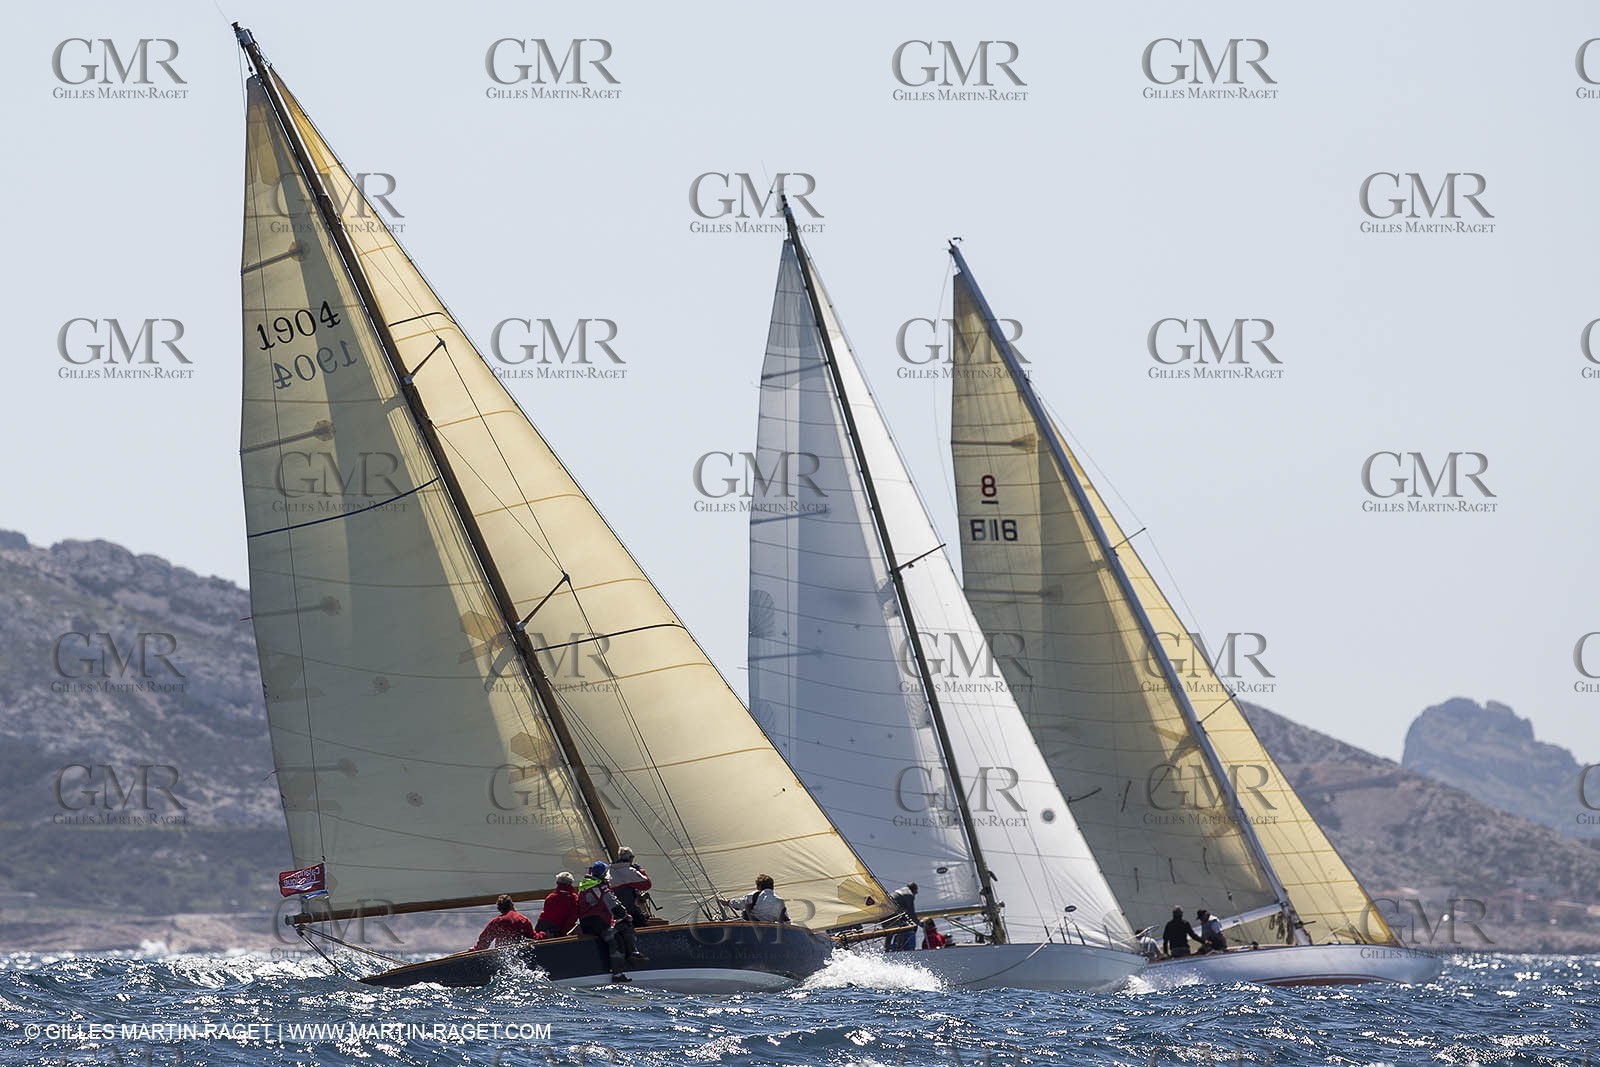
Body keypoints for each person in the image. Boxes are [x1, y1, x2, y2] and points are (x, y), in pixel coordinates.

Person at [577, 861, 647, 981]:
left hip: (587, 924)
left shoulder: (584, 887)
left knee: (618, 930)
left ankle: (632, 953)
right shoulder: (601, 888)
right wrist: (626, 916)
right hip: (600, 923)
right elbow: (615, 907)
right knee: (618, 938)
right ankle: (619, 972)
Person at [608, 846, 654, 927]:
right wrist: (641, 871)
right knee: (642, 923)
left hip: (614, 913)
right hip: (629, 910)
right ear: (630, 858)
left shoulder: (609, 871)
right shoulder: (629, 870)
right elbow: (647, 884)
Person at [724, 874, 790, 923]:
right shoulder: (780, 901)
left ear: (759, 886)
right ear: (772, 886)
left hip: (751, 928)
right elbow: (786, 921)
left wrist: (727, 902)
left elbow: (739, 904)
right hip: (769, 930)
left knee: (745, 913)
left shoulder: (754, 896)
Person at [534, 871, 581, 938]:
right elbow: (572, 919)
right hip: (555, 930)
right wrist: (563, 934)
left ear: (557, 883)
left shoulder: (550, 897)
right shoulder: (573, 899)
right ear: (571, 883)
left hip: (541, 926)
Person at [887, 882, 919, 952]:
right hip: (893, 911)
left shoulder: (902, 890)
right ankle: (898, 949)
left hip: (887, 909)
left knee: (889, 931)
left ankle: (887, 949)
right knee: (901, 929)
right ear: (914, 889)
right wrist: (916, 923)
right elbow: (911, 912)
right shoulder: (909, 894)